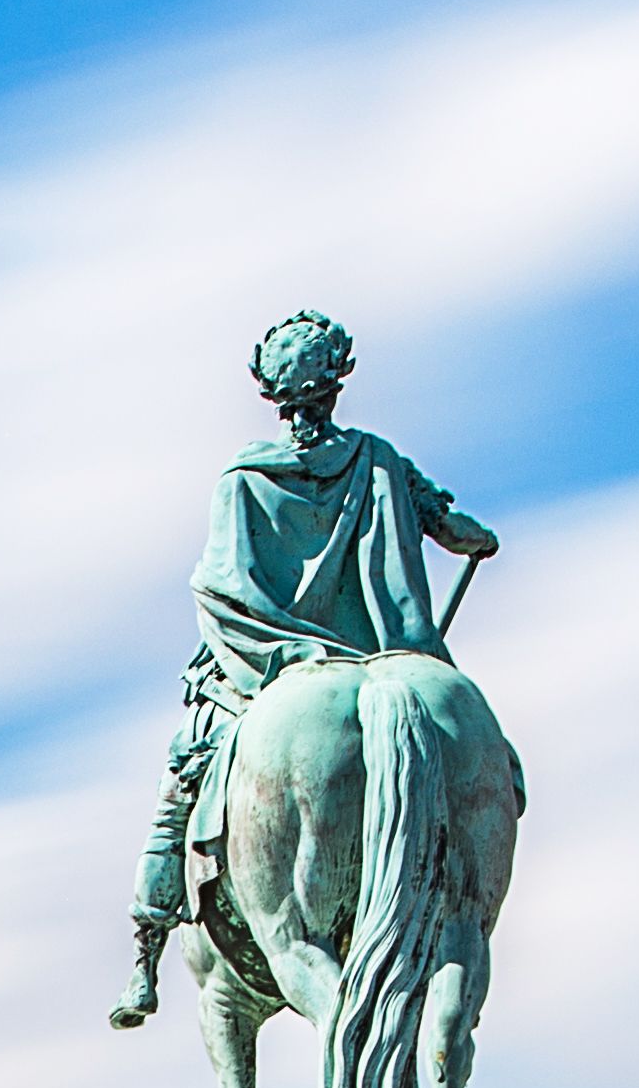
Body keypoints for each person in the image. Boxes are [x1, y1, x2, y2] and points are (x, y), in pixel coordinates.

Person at [113, 310, 496, 1029]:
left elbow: (220, 586)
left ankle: (145, 953)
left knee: (178, 789)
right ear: (337, 382)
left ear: (272, 393)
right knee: (490, 762)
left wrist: (283, 645)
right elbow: (463, 532)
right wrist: (464, 535)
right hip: (389, 655)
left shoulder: (244, 476)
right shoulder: (380, 460)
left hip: (270, 669)